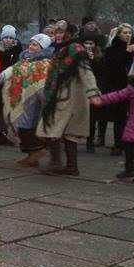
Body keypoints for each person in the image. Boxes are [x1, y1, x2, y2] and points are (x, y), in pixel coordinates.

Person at [36, 43, 100, 176]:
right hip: (61, 102)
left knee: (64, 133)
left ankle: (66, 165)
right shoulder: (61, 63)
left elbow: (89, 78)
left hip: (71, 104)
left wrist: (93, 94)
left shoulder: (79, 63)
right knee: (54, 131)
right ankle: (63, 164)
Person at [0, 33, 54, 166]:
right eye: (30, 43)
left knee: (26, 126)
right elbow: (14, 69)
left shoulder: (45, 63)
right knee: (19, 124)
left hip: (35, 100)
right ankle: (32, 154)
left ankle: (37, 152)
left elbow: (43, 82)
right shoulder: (25, 59)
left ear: (42, 47)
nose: (31, 46)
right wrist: (1, 77)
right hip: (21, 97)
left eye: (35, 44)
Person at [104, 23, 134, 155]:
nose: (128, 35)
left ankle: (132, 145)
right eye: (125, 33)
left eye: (129, 33)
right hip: (118, 87)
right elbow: (111, 65)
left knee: (133, 118)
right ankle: (118, 144)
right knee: (120, 119)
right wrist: (127, 52)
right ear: (119, 34)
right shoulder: (112, 49)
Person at [0, 25, 22, 145]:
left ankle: (6, 132)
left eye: (11, 37)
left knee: (7, 109)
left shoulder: (17, 48)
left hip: (10, 81)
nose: (8, 40)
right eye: (6, 37)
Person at [80, 31, 109, 153]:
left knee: (92, 118)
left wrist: (93, 61)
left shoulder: (100, 57)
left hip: (94, 89)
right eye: (86, 43)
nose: (88, 46)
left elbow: (101, 73)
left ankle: (90, 142)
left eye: (90, 43)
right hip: (81, 89)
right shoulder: (79, 55)